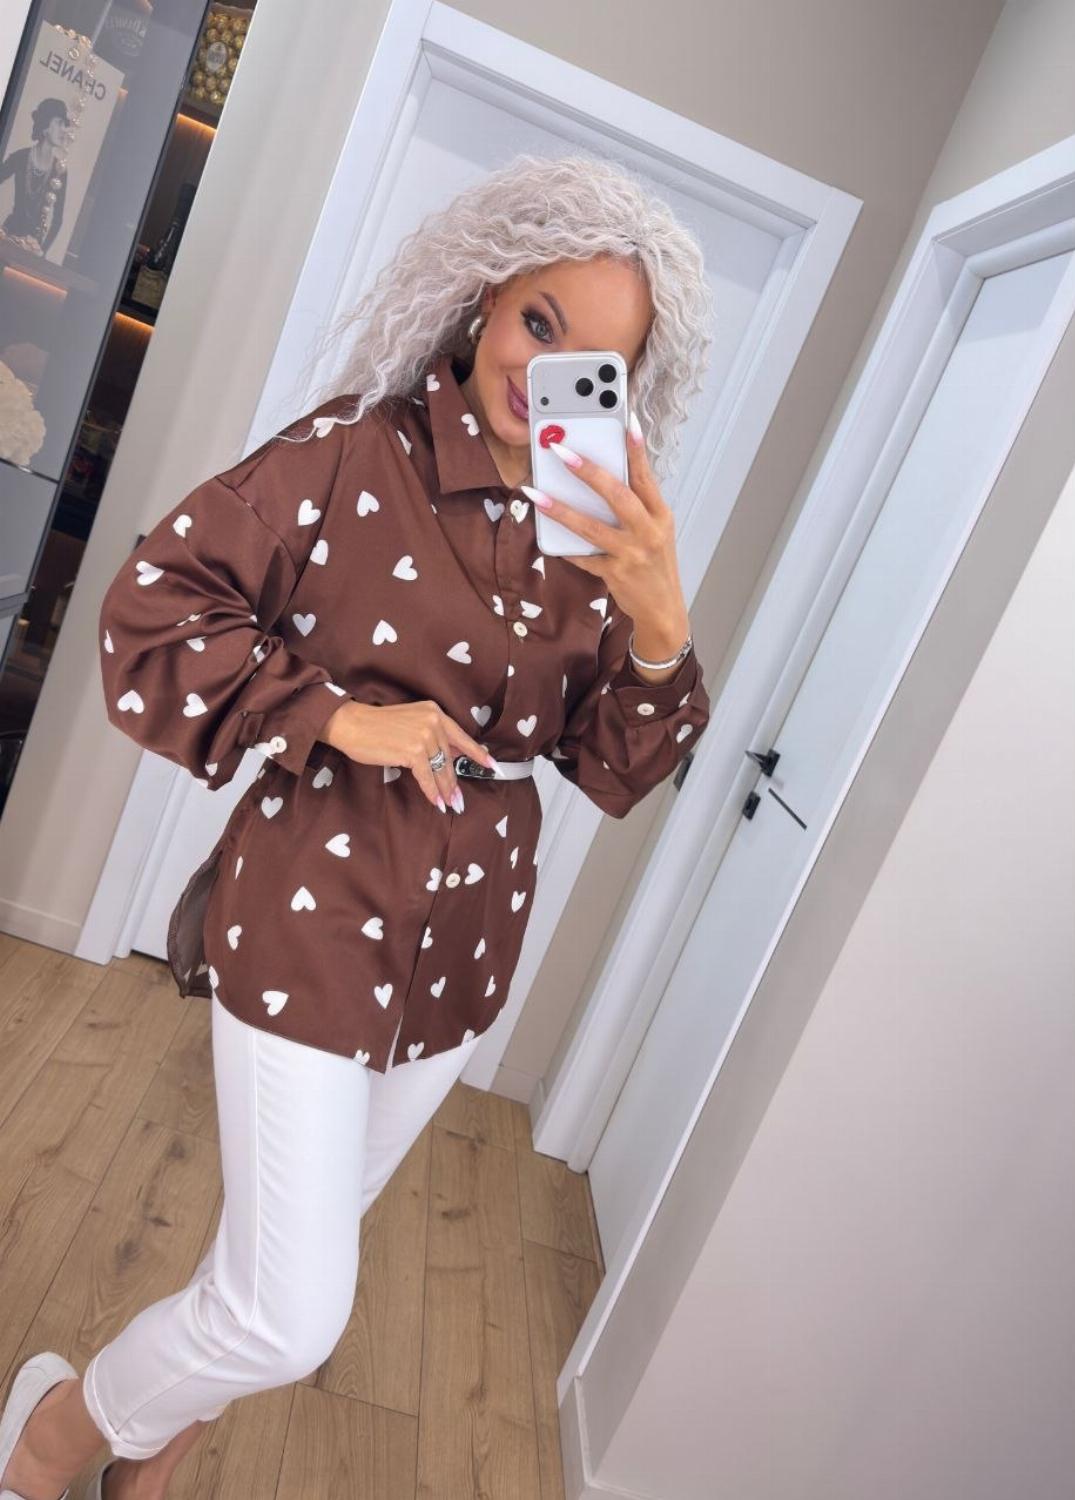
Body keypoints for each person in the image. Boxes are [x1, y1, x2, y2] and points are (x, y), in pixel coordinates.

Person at [0, 150, 714, 1500]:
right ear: (484, 296)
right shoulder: (352, 452)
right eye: (537, 320)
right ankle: (52, 1433)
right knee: (290, 1310)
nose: (542, 371)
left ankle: (145, 1466)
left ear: (620, 392)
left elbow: (615, 769)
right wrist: (334, 715)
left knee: (273, 1258)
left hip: (462, 949)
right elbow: (153, 606)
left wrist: (662, 623)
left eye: (589, 363)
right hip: (314, 908)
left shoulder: (591, 541)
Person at [0, 98, 69, 256]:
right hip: (7, 237)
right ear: (45, 126)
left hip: (33, 247)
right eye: (59, 123)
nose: (64, 130)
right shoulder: (20, 157)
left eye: (65, 125)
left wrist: (42, 251)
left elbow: (58, 220)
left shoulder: (60, 171)